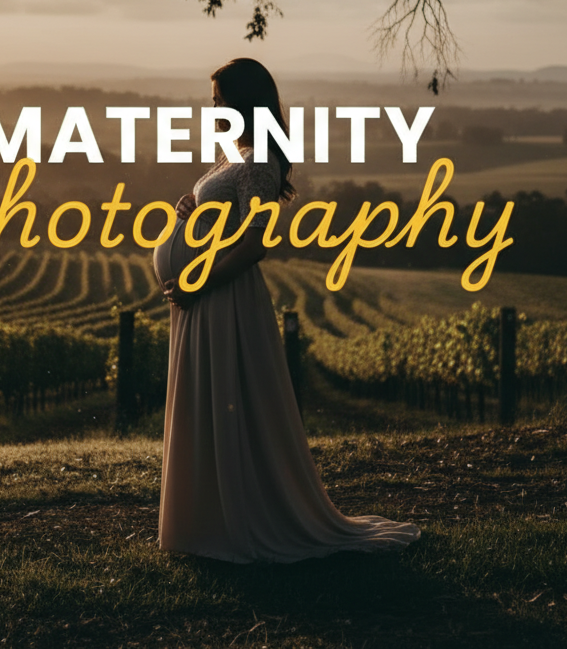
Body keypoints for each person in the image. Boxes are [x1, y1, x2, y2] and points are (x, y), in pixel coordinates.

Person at [153, 57, 421, 563]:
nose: (213, 111)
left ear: (244, 103)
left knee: (228, 403)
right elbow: (225, 223)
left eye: (219, 102)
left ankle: (233, 521)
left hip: (220, 297)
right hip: (202, 298)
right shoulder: (239, 158)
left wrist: (196, 278)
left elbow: (256, 244)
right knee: (206, 403)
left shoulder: (257, 162)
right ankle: (204, 520)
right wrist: (189, 209)